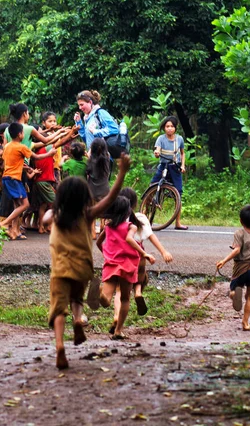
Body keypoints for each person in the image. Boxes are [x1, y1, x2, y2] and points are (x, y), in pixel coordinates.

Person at [44, 153, 132, 370]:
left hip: (60, 269)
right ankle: (78, 318)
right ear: (85, 196)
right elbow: (110, 198)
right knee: (76, 299)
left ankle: (59, 347)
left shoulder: (56, 215)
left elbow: (45, 219)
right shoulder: (88, 214)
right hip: (82, 268)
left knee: (58, 308)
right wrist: (121, 173)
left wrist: (56, 208)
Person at [103, 187, 173, 333]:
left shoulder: (114, 221)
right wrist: (163, 251)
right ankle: (138, 293)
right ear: (134, 204)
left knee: (118, 291)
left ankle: (116, 315)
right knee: (138, 280)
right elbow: (151, 236)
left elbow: (102, 241)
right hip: (137, 258)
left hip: (118, 259)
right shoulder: (140, 218)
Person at [96, 196, 156, 340]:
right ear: (127, 212)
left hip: (111, 264)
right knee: (124, 299)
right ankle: (118, 331)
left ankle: (101, 293)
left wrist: (107, 254)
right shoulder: (131, 226)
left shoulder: (108, 227)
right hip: (128, 266)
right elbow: (129, 239)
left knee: (107, 299)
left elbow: (98, 243)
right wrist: (144, 253)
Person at [216, 204, 250, 332]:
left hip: (240, 269)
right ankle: (246, 323)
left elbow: (236, 250)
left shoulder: (239, 233)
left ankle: (234, 294)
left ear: (241, 220)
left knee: (235, 288)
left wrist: (224, 261)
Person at [0, 122, 57, 239]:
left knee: (17, 205)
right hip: (14, 178)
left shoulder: (6, 146)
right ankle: (4, 224)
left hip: (7, 177)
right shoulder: (21, 147)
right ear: (20, 134)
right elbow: (36, 157)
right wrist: (50, 153)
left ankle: (14, 232)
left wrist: (28, 168)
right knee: (25, 204)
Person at [151, 115, 187, 230]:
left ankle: (178, 222)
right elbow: (157, 149)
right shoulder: (161, 139)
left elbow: (182, 153)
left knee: (178, 193)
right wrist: (157, 152)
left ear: (175, 128)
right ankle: (146, 217)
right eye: (167, 126)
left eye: (172, 126)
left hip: (174, 168)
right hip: (163, 166)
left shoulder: (179, 139)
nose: (169, 128)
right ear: (164, 128)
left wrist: (182, 165)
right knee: (152, 187)